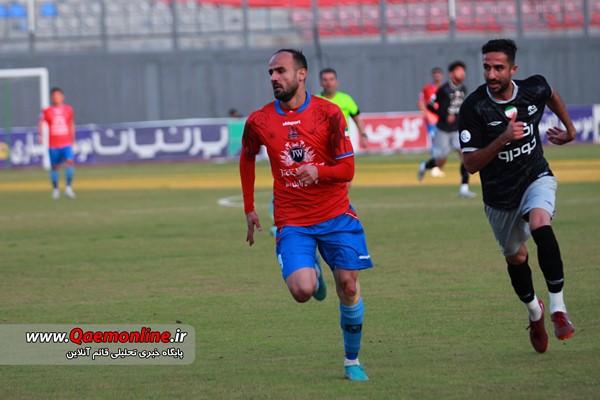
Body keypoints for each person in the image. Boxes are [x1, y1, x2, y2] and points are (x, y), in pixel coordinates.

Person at [240, 49, 373, 381]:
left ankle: (352, 362)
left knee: (348, 286)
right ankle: (310, 268)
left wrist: (319, 171)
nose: (274, 77)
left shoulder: (329, 113)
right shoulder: (258, 120)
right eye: (270, 72)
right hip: (293, 219)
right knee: (302, 291)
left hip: (336, 215)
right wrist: (249, 207)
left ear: (301, 74)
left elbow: (347, 170)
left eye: (280, 71)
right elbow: (247, 157)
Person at [459, 38, 576, 353]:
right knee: (516, 257)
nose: (491, 74)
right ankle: (535, 312)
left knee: (540, 224)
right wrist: (502, 138)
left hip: (535, 176)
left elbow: (550, 93)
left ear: (513, 69)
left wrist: (570, 130)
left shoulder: (532, 88)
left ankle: (558, 309)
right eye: (487, 67)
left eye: (498, 68)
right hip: (499, 198)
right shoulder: (474, 108)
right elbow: (470, 164)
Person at [417, 61, 476, 198]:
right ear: (451, 73)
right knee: (441, 162)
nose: (462, 73)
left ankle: (464, 188)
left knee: (465, 156)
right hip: (443, 129)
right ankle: (424, 166)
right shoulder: (443, 89)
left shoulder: (463, 89)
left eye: (463, 71)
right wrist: (444, 116)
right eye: (458, 71)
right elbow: (430, 106)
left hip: (457, 130)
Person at [317, 67, 369, 149]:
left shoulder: (346, 99)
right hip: (322, 144)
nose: (328, 82)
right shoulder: (315, 100)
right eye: (325, 80)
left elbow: (357, 118)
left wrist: (363, 135)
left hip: (342, 142)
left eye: (331, 79)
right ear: (321, 83)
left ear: (336, 82)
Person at [39, 87, 75, 199]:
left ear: (62, 97)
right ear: (52, 98)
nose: (56, 97)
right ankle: (55, 189)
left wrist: (72, 139)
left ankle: (68, 188)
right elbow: (41, 123)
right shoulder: (46, 111)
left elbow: (71, 124)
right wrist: (40, 135)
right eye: (54, 96)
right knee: (54, 167)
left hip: (66, 143)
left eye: (58, 95)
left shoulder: (69, 110)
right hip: (53, 145)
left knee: (69, 162)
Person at [417, 67, 445, 178]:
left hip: (443, 120)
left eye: (438, 74)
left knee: (443, 145)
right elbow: (420, 101)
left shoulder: (445, 88)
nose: (437, 76)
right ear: (433, 76)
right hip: (432, 120)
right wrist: (426, 114)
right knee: (434, 143)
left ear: (442, 75)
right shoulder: (427, 88)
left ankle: (432, 165)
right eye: (435, 74)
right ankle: (434, 168)